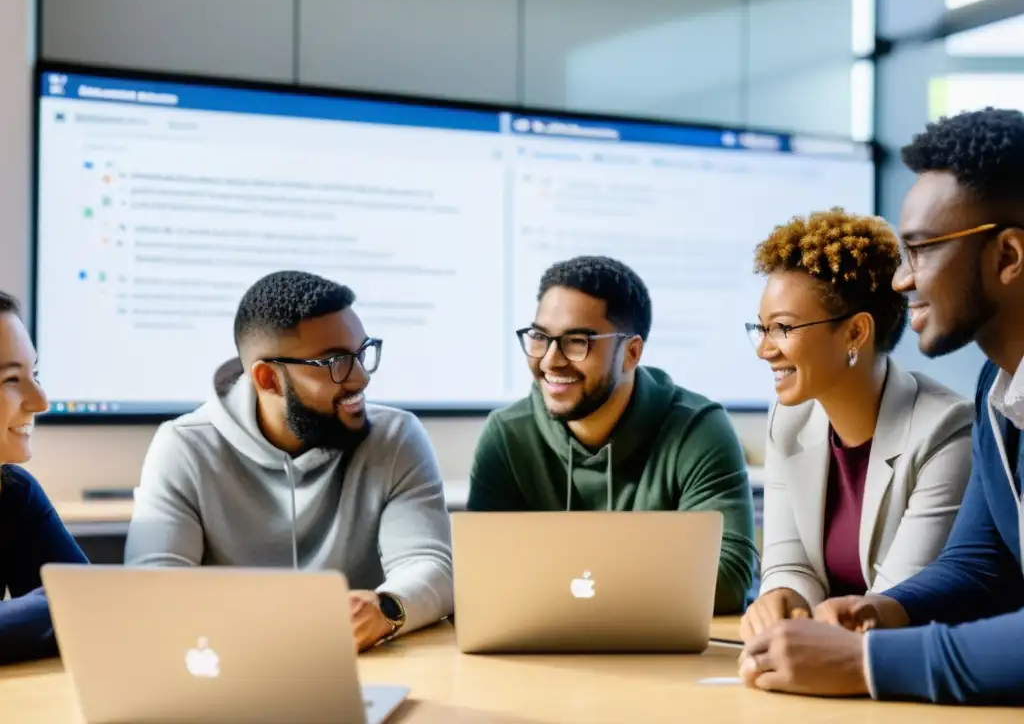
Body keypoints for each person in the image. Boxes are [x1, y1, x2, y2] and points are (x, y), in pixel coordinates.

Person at [738, 107, 1024, 704]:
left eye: (921, 250)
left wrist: (867, 661)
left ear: (1009, 256)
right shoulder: (997, 393)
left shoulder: (953, 417)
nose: (901, 280)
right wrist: (875, 612)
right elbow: (978, 565)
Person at [125, 271, 454, 651]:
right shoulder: (183, 447)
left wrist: (386, 608)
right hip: (233, 670)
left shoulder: (396, 437)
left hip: (365, 663)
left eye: (362, 353)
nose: (361, 377)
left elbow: (433, 566)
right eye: (335, 362)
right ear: (267, 379)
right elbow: (153, 588)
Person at [466, 255, 758, 614]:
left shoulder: (697, 429)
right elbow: (483, 576)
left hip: (664, 658)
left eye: (576, 341)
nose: (550, 361)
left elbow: (728, 578)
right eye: (540, 337)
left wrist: (562, 584)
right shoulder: (507, 435)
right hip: (541, 649)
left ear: (631, 353)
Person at [740, 209, 973, 641]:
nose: (765, 350)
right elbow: (789, 563)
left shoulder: (946, 431)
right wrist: (780, 596)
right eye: (761, 328)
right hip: (822, 655)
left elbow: (899, 599)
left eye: (783, 328)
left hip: (900, 665)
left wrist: (811, 634)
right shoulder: (789, 420)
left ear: (855, 334)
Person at [0, 290, 89, 665]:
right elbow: (74, 600)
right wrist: (55, 602)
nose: (41, 401)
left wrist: (64, 600)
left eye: (33, 374)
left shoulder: (13, 492)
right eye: (11, 379)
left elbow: (89, 609)